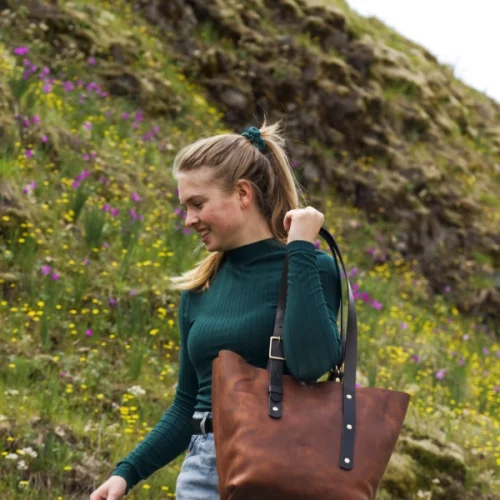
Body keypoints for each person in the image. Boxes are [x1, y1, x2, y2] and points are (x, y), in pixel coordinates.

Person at [89, 120, 342, 499]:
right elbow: (187, 405)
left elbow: (312, 364)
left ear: (243, 193)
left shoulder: (310, 267)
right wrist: (125, 473)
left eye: (197, 204)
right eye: (185, 207)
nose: (189, 220)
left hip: (284, 470)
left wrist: (302, 249)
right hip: (204, 472)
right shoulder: (199, 291)